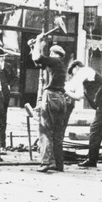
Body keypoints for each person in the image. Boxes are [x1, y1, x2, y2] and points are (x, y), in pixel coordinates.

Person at [65, 60, 102, 171]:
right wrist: (67, 92)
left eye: (73, 72)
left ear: (77, 67)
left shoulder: (84, 71)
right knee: (95, 129)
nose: (74, 75)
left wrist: (63, 88)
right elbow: (78, 96)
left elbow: (72, 86)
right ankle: (92, 160)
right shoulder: (84, 79)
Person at [30, 30, 71, 173]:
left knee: (45, 130)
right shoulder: (58, 64)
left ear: (54, 54)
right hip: (60, 98)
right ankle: (59, 164)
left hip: (51, 96)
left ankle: (46, 162)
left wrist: (37, 40)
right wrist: (37, 45)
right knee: (58, 133)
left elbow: (38, 57)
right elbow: (39, 61)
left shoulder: (55, 61)